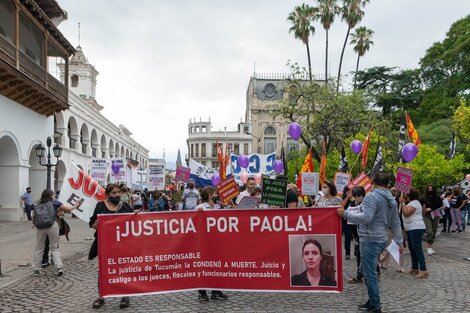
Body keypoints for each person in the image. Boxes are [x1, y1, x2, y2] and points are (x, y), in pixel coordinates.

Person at [337, 172, 403, 313]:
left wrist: (346, 214)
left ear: (373, 182)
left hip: (370, 238)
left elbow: (366, 218)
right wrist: (399, 240)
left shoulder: (372, 197)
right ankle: (372, 300)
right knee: (369, 271)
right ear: (387, 184)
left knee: (370, 274)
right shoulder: (391, 198)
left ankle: (375, 305)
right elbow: (396, 221)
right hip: (380, 237)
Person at [89, 183, 134, 310]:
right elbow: (92, 222)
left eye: (119, 192)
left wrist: (136, 215)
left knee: (123, 269)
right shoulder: (100, 206)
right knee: (103, 270)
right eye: (114, 193)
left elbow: (134, 222)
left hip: (123, 244)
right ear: (108, 194)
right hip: (105, 245)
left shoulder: (125, 206)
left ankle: (125, 296)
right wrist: (95, 225)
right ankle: (101, 296)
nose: (117, 195)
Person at [32, 188, 80, 276]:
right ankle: (59, 267)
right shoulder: (54, 202)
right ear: (50, 195)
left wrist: (35, 223)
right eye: (53, 194)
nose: (54, 195)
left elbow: (34, 216)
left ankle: (36, 269)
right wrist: (76, 205)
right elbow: (68, 209)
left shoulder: (38, 203)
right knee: (54, 247)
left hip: (40, 227)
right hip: (52, 225)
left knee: (39, 248)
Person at [194, 186, 229, 301]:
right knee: (203, 266)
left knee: (217, 265)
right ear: (209, 195)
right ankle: (202, 292)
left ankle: (216, 291)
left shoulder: (217, 206)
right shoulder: (200, 207)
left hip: (216, 240)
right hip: (204, 242)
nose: (216, 195)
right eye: (215, 193)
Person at [400, 187, 428, 278]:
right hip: (411, 228)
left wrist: (403, 203)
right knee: (412, 248)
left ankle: (423, 269)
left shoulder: (415, 203)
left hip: (415, 228)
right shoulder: (413, 203)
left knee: (417, 248)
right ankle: (415, 267)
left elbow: (406, 213)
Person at [422, 184, 444, 255]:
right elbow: (419, 205)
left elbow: (441, 205)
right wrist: (425, 209)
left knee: (434, 232)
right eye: (429, 188)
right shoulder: (423, 197)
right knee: (430, 231)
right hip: (426, 215)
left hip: (435, 215)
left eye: (431, 188)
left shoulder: (437, 197)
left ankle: (430, 246)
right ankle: (428, 247)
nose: (430, 190)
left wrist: (440, 208)